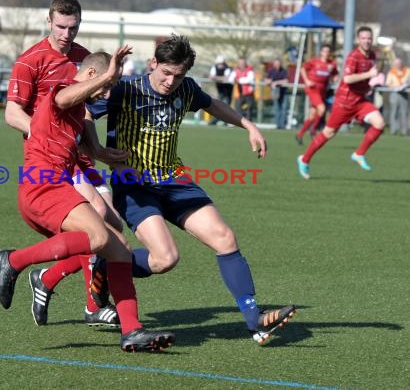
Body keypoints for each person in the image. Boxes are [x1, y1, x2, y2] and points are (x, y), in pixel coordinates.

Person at [87, 35, 296, 345]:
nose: (171, 81)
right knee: (165, 259)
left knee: (225, 238)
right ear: (153, 63)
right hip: (134, 185)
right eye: (166, 73)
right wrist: (99, 151)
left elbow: (214, 105)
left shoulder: (186, 89)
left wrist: (249, 126)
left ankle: (255, 322)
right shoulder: (125, 89)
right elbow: (85, 111)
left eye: (179, 75)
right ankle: (109, 264)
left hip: (174, 179)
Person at [0, 46, 175, 352]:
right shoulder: (62, 90)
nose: (106, 94)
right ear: (91, 75)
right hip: (42, 188)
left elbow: (87, 149)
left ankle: (131, 330)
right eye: (105, 86)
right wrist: (107, 75)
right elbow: (63, 99)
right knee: (97, 235)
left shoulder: (80, 113)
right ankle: (13, 261)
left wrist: (105, 154)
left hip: (58, 186)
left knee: (119, 249)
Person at [4, 0, 122, 328]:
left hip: (78, 151)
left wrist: (95, 149)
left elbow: (84, 108)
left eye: (73, 27)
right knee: (98, 220)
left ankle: (48, 279)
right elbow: (12, 113)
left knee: (112, 227)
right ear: (49, 21)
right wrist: (46, 135)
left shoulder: (85, 58)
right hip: (52, 157)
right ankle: (91, 306)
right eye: (61, 26)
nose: (67, 34)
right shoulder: (31, 60)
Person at [297, 26, 386, 179]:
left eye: (369, 38)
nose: (367, 41)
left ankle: (359, 153)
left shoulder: (372, 55)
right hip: (344, 102)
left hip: (360, 101)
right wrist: (369, 74)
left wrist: (369, 85)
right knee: (328, 133)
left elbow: (361, 77)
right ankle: (304, 159)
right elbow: (347, 79)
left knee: (380, 123)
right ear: (358, 40)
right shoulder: (353, 56)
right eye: (363, 38)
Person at [296, 45, 339, 144]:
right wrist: (307, 81)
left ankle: (300, 135)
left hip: (322, 91)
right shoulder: (314, 62)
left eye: (328, 51)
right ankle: (313, 130)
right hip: (313, 89)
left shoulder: (332, 64)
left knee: (312, 116)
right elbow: (302, 69)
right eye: (324, 51)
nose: (326, 53)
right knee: (322, 109)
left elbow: (335, 75)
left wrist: (335, 77)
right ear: (321, 52)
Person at [385, 58, 409, 136]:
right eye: (396, 63)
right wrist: (395, 87)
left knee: (404, 112)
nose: (398, 65)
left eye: (399, 63)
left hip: (404, 93)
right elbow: (388, 83)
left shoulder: (407, 70)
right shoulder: (391, 72)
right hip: (394, 94)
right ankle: (393, 131)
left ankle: (405, 131)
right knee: (394, 112)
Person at [207, 55, 233, 126]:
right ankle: (215, 120)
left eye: (221, 63)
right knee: (218, 105)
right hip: (220, 89)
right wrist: (220, 78)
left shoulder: (227, 69)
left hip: (228, 90)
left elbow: (226, 78)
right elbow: (211, 77)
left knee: (226, 105)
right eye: (219, 64)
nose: (220, 65)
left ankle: (226, 121)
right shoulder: (214, 68)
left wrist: (216, 77)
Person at [265, 58, 289, 129]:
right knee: (277, 108)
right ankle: (278, 125)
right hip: (275, 92)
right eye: (276, 64)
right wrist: (269, 81)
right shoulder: (271, 71)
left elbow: (286, 81)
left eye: (278, 64)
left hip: (283, 93)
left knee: (284, 109)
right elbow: (266, 80)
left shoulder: (284, 71)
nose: (277, 65)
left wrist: (276, 82)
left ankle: (282, 125)